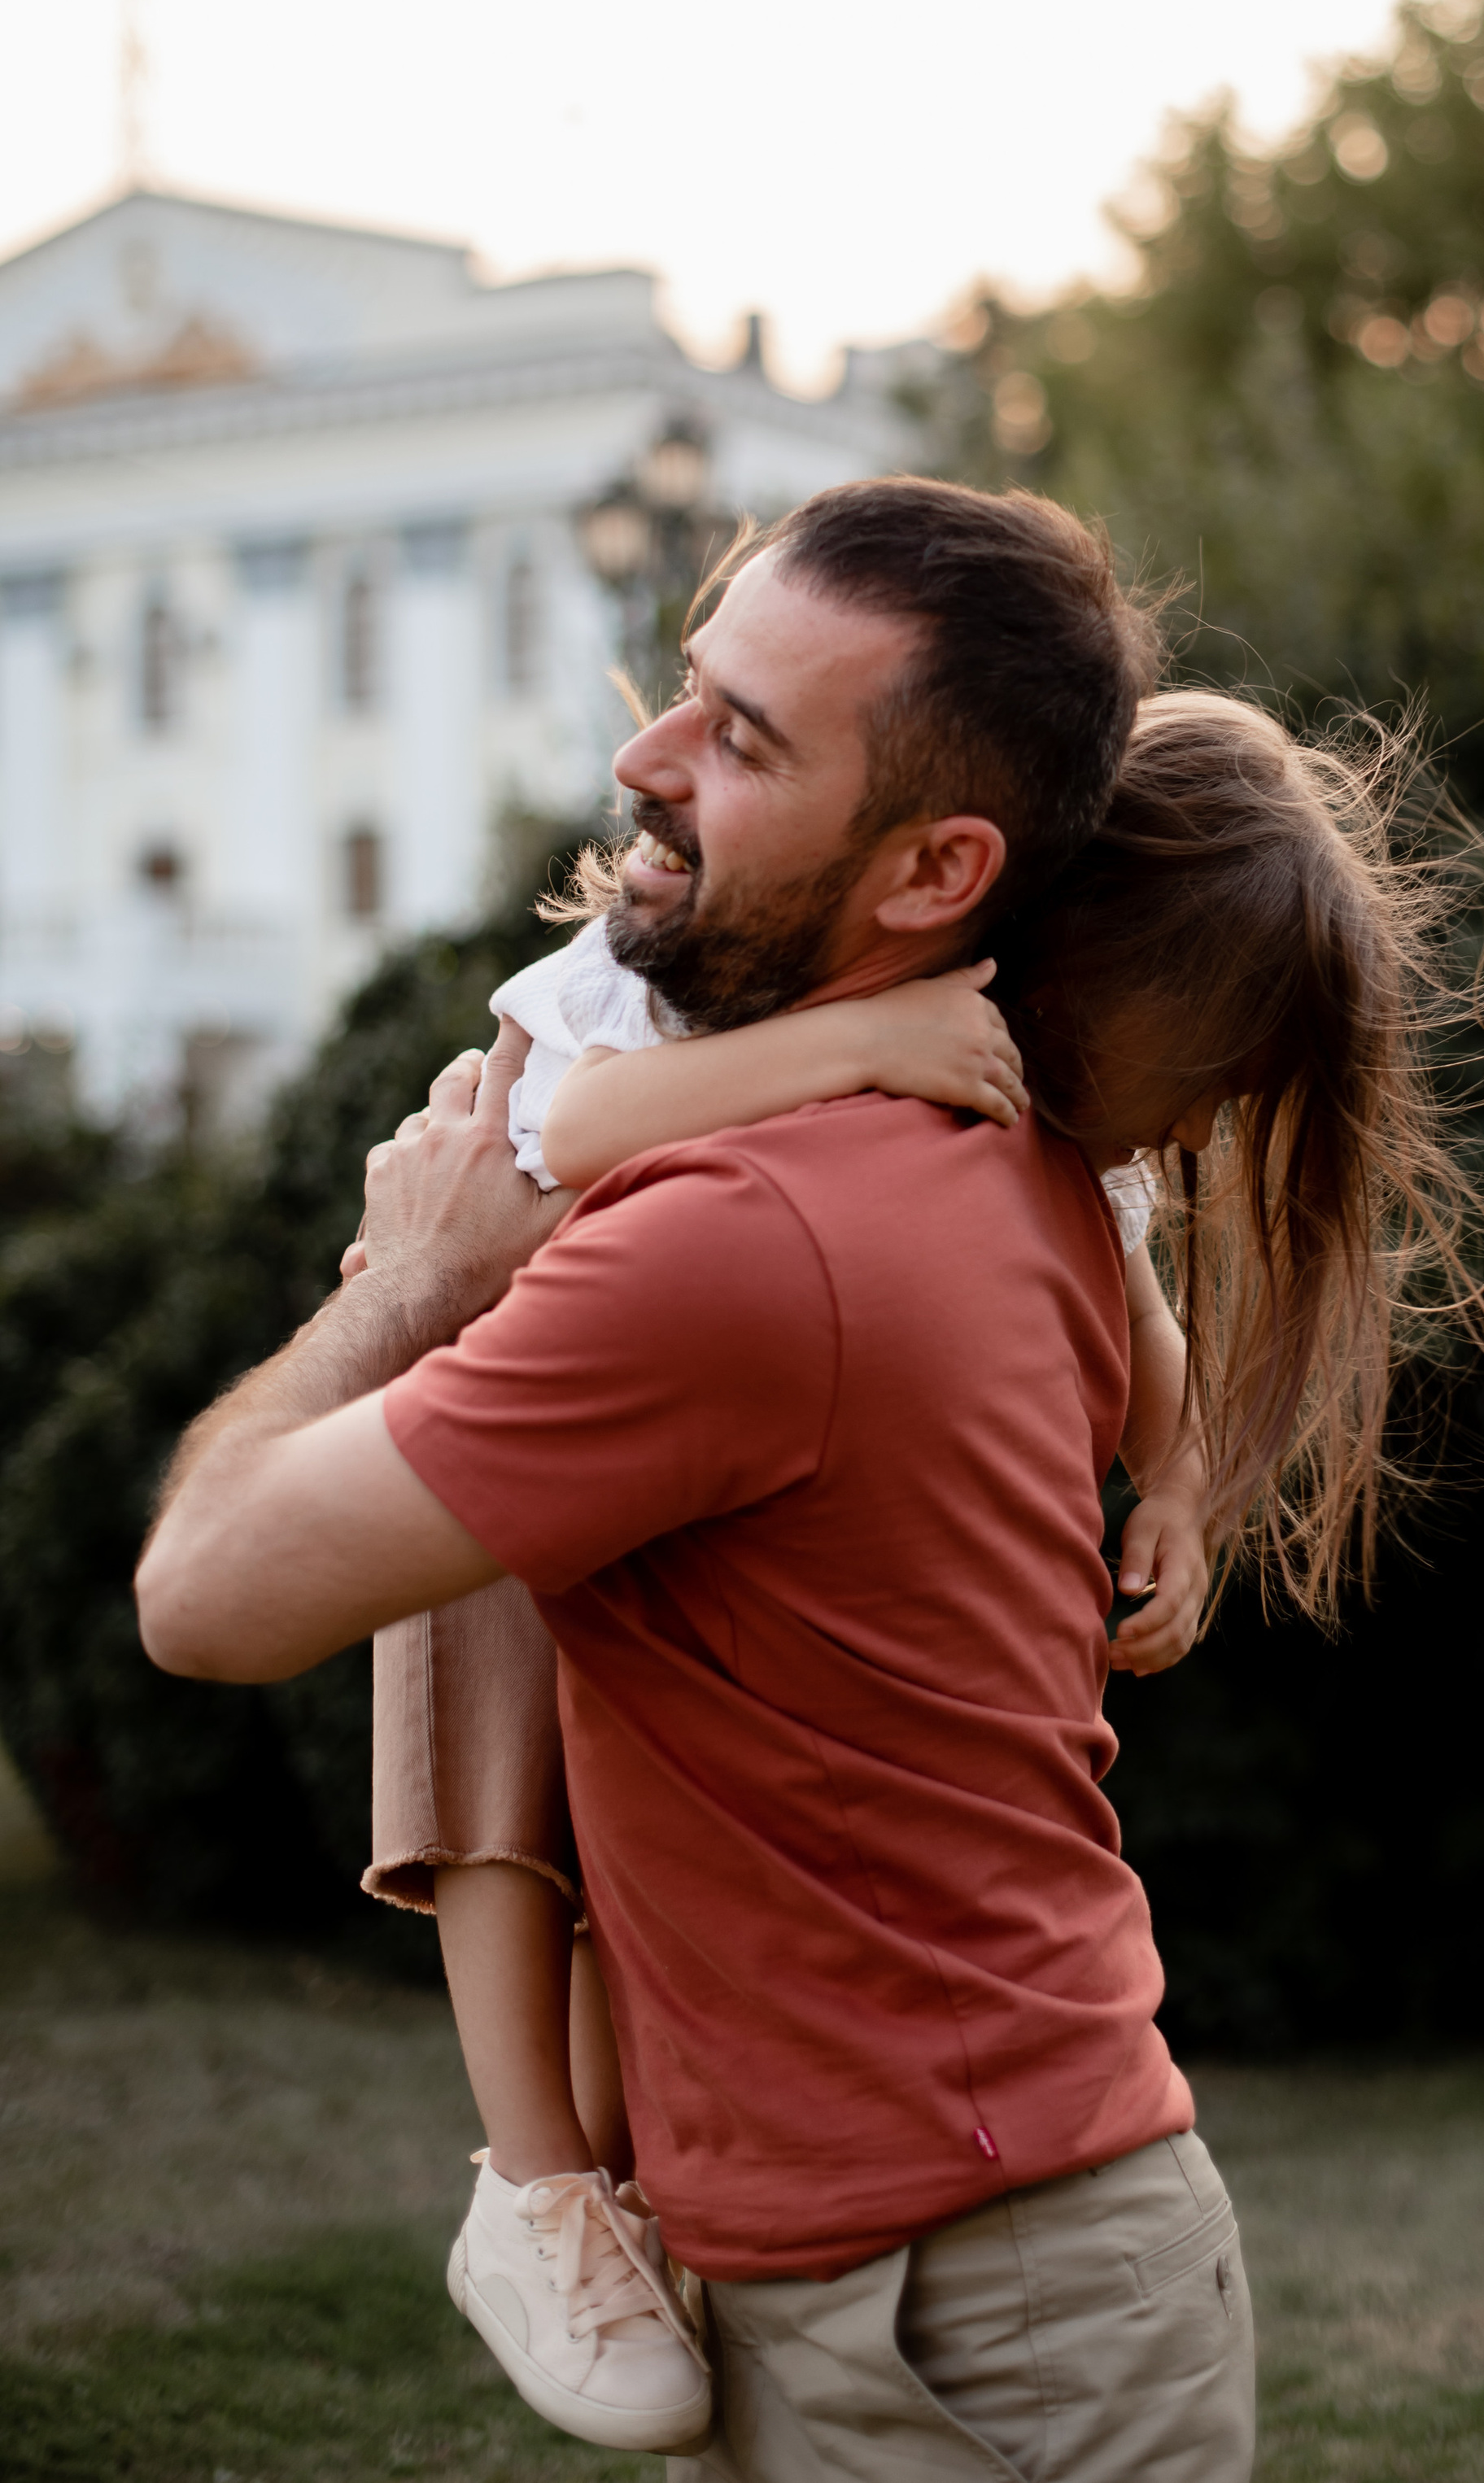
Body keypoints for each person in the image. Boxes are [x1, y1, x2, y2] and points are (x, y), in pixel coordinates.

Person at [137, 479, 1484, 2483]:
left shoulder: (750, 1238)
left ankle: (536, 2188)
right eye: (687, 691)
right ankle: (558, 2184)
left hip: (959, 2291)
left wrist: (426, 1286)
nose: (643, 755)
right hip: (947, 2239)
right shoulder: (1011, 1172)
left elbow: (202, 1597)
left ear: (937, 872)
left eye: (741, 733)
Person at [360, 943, 1206, 2457]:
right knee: (506, 1793)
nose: (1197, 1136)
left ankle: (608, 2195)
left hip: (710, 1516)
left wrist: (1187, 1489)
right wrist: (867, 1041)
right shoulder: (650, 978)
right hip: (525, 1429)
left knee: (650, 1884)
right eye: (1198, 1082)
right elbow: (566, 1129)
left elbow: (1149, 1332)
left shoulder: (1014, 1105)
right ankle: (536, 2181)